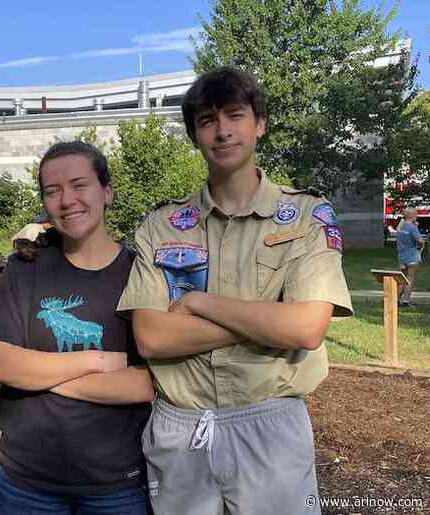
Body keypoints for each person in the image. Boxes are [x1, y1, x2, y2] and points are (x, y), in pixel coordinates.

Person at [116, 67, 353, 515]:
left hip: (270, 427)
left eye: (235, 115)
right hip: (181, 429)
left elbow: (305, 329)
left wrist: (200, 303)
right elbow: (152, 337)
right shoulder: (161, 225)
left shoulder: (304, 216)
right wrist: (268, 319)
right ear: (194, 135)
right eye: (207, 120)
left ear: (259, 123)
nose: (222, 131)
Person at [0, 141, 154, 514]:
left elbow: (147, 384)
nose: (67, 200)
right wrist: (102, 360)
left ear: (107, 192)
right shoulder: (24, 269)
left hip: (118, 484)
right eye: (53, 191)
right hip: (26, 484)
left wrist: (39, 374)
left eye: (79, 185)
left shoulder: (141, 275)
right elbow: (5, 367)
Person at [396, 208, 424, 307]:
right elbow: (420, 241)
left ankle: (396, 299)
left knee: (401, 279)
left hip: (401, 256)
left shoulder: (400, 226)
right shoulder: (412, 227)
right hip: (412, 256)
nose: (417, 215)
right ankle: (406, 301)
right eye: (416, 213)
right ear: (412, 215)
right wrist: (420, 247)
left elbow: (399, 232)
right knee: (410, 278)